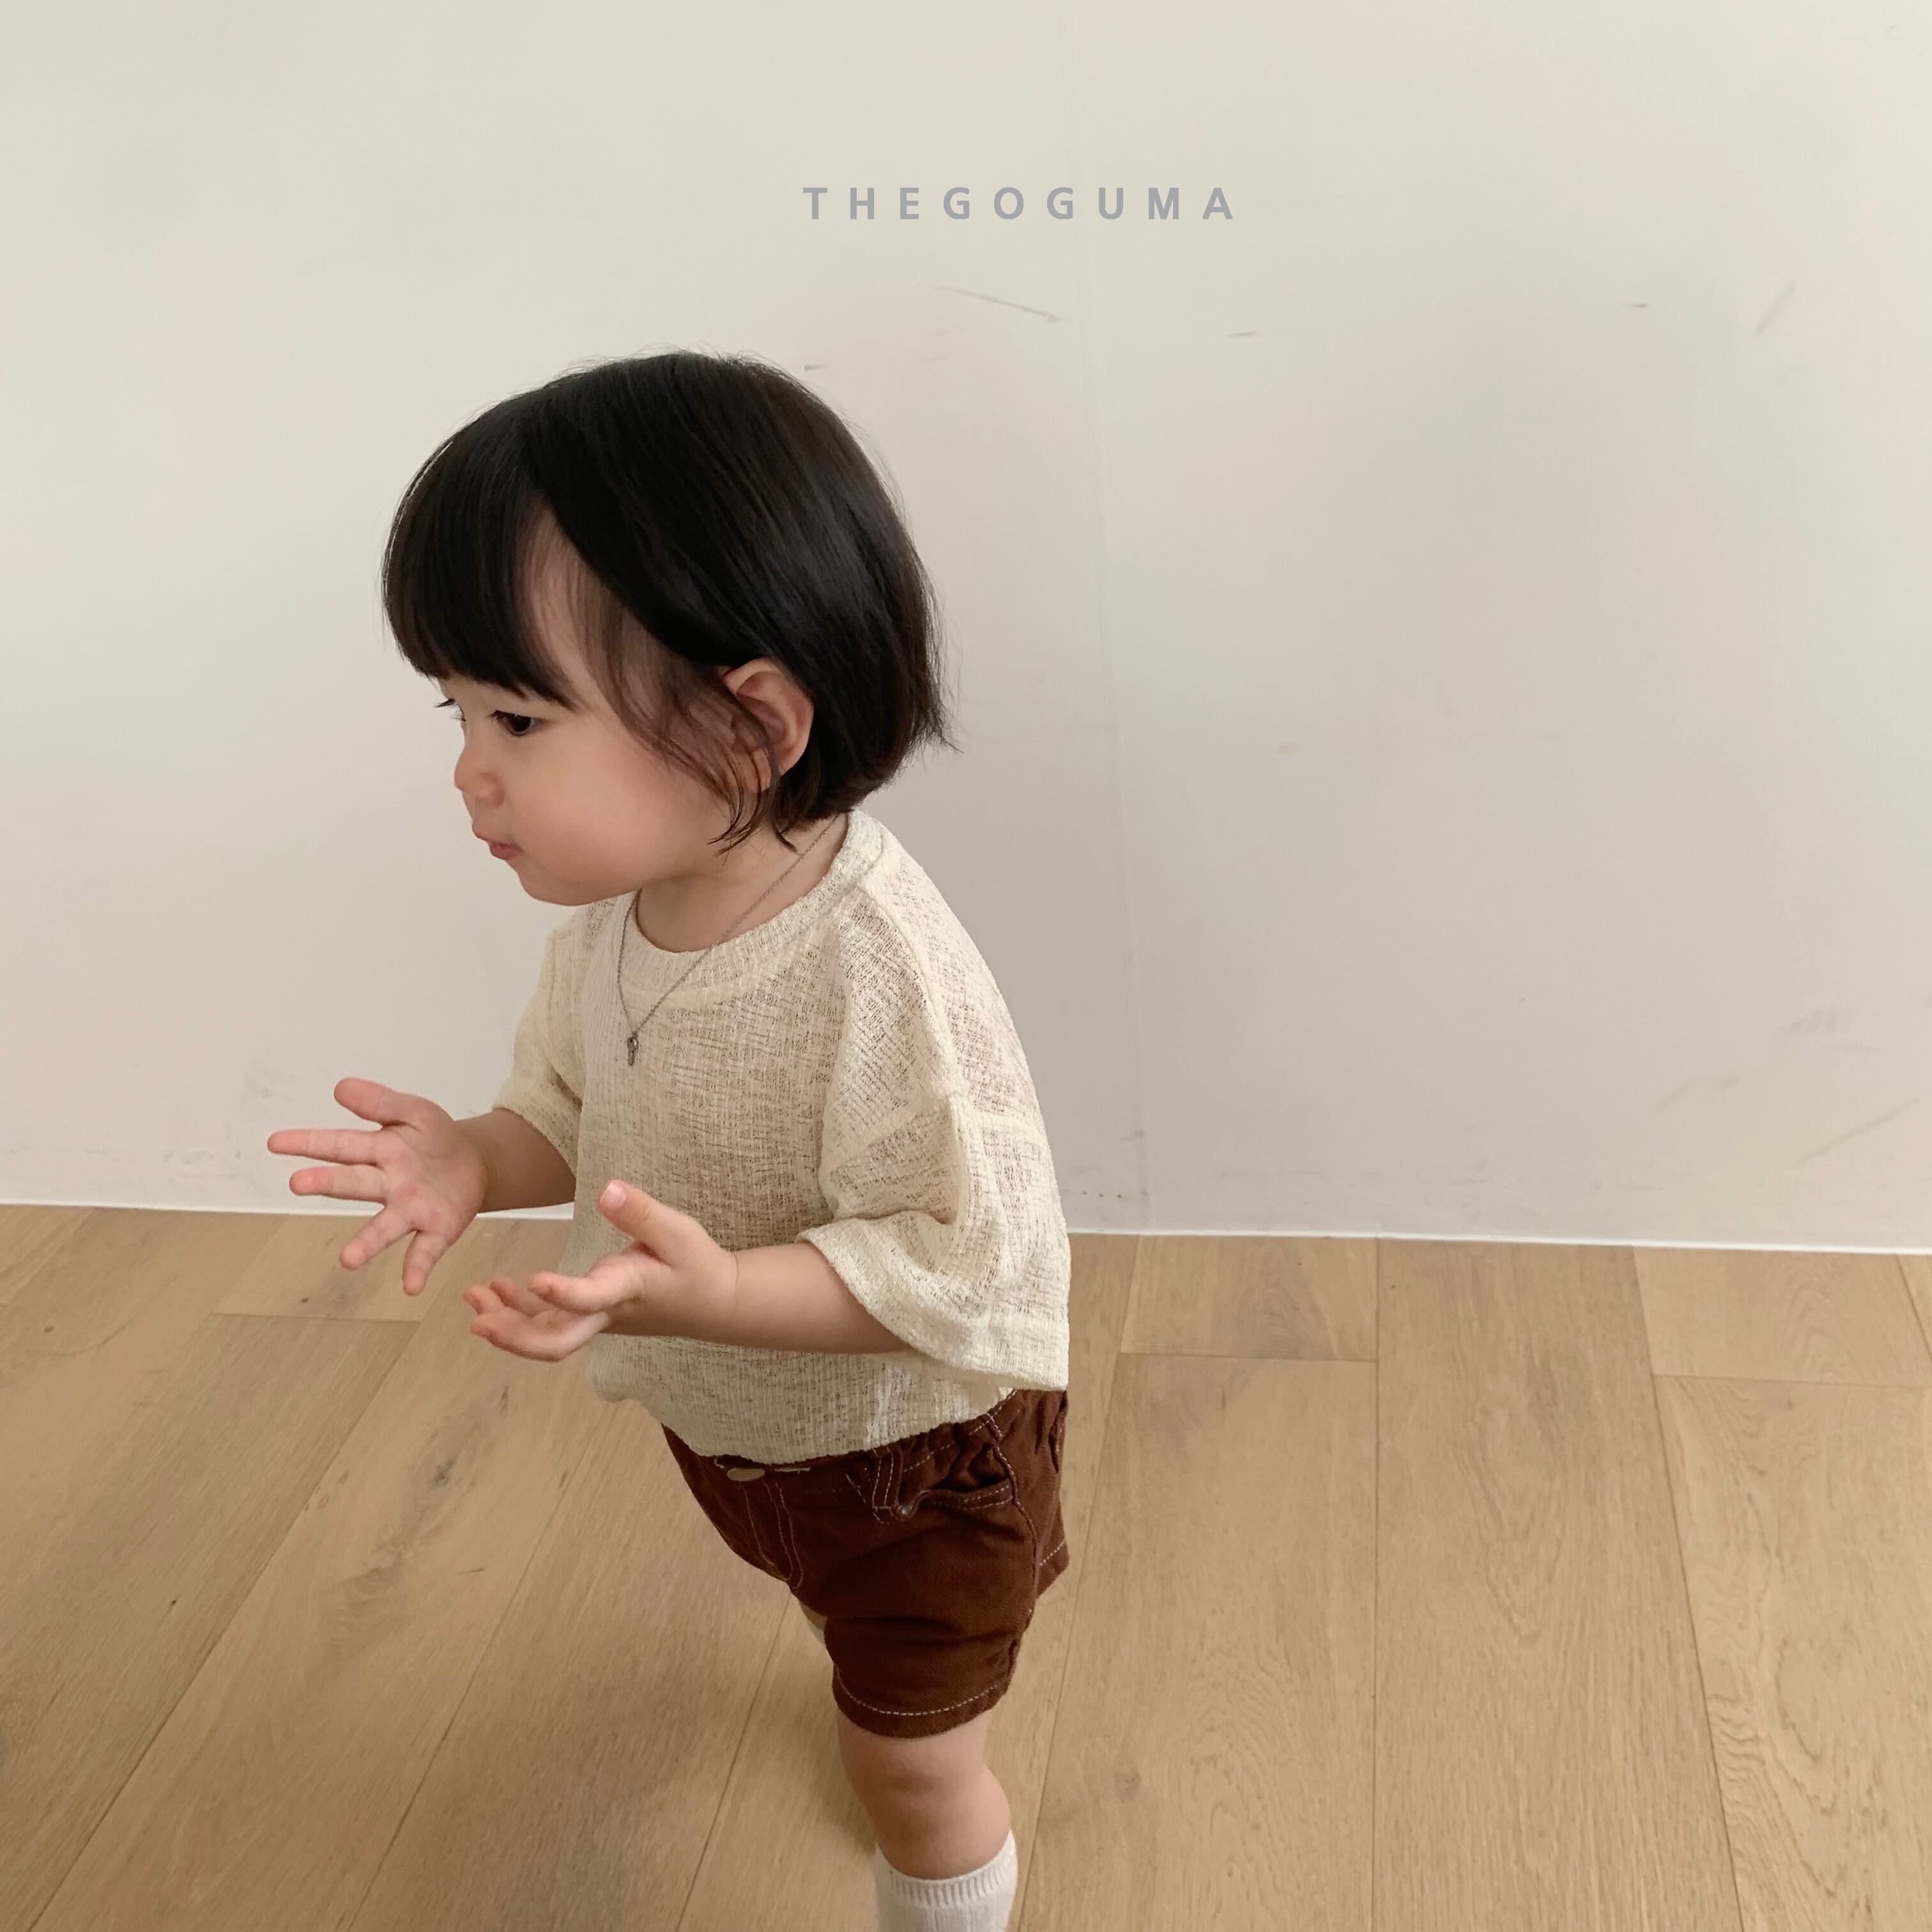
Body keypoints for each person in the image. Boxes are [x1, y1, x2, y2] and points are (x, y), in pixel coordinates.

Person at [266, 350, 1071, 1932]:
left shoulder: (881, 972)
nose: (469, 770)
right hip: (746, 1430)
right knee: (838, 1636)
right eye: (456, 710)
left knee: (913, 1766)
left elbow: (970, 1269)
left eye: (517, 715)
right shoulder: (620, 918)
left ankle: (946, 1890)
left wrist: (719, 1294)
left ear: (748, 725)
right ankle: (855, 1657)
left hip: (915, 1462)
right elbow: (569, 1115)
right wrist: (474, 1159)